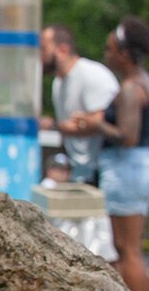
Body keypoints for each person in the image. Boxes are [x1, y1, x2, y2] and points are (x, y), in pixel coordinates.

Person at [83, 16, 149, 291]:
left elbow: (127, 134)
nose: (106, 54)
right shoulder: (145, 81)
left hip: (127, 168)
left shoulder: (130, 88)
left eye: (110, 48)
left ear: (124, 54)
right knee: (128, 249)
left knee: (128, 251)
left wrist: (95, 125)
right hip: (137, 168)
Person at [40, 24, 121, 185]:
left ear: (62, 50)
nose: (39, 56)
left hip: (103, 171)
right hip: (77, 172)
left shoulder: (92, 75)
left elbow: (99, 123)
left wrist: (52, 125)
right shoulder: (58, 83)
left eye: (43, 49)